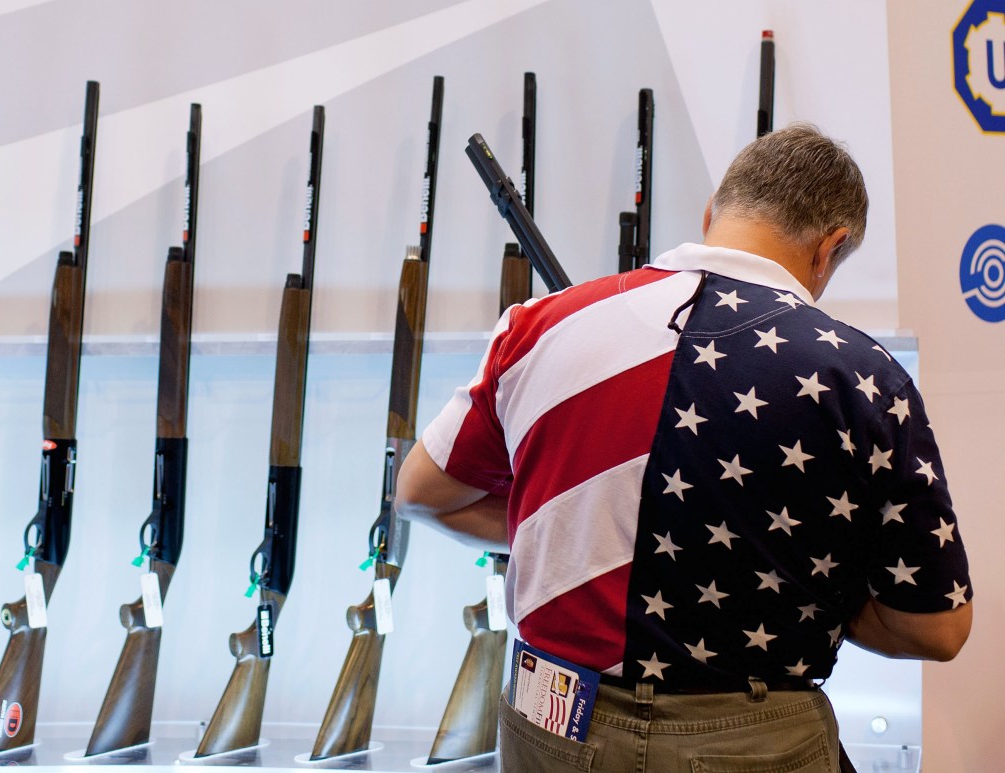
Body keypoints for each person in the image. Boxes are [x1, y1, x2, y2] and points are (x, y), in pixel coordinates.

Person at [395, 123, 972, 772]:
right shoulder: (862, 374)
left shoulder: (538, 326)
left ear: (713, 213)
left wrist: (579, 531)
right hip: (750, 740)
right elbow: (937, 626)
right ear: (830, 247)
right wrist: (815, 580)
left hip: (548, 718)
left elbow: (420, 493)